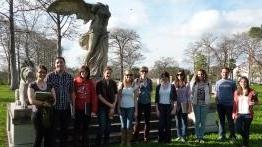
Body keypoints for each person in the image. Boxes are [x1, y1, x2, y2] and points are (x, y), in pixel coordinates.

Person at [46, 57, 75, 147]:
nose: (59, 64)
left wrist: (73, 107)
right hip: (53, 109)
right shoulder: (50, 76)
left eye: (61, 62)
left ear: (64, 64)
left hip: (66, 109)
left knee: (64, 131)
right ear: (55, 65)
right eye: (57, 62)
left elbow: (72, 92)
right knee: (52, 131)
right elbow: (45, 91)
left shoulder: (69, 77)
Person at [27, 65, 56, 147]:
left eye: (44, 72)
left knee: (48, 138)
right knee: (38, 138)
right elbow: (31, 100)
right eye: (40, 72)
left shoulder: (50, 85)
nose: (42, 74)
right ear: (36, 73)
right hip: (37, 115)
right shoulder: (32, 85)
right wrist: (44, 103)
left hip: (49, 114)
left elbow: (54, 100)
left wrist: (50, 102)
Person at [73, 65, 97, 147]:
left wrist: (94, 110)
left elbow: (94, 96)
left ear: (88, 73)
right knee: (77, 128)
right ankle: (76, 144)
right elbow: (73, 94)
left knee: (85, 128)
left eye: (86, 72)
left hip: (87, 109)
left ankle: (85, 144)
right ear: (80, 72)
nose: (84, 73)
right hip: (78, 108)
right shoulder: (76, 81)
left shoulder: (91, 82)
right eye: (82, 71)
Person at [232, 76, 259, 147]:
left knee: (246, 129)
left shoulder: (252, 92)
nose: (243, 83)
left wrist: (254, 103)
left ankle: (245, 144)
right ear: (239, 83)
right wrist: (233, 113)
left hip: (248, 114)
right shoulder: (236, 92)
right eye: (241, 82)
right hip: (239, 114)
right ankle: (246, 137)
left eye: (245, 82)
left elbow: (257, 102)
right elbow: (234, 103)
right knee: (238, 129)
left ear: (247, 82)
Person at [95, 66, 118, 146]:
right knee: (102, 126)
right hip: (102, 108)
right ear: (104, 73)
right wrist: (111, 105)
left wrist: (113, 105)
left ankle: (106, 144)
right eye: (107, 73)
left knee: (108, 127)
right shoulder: (99, 83)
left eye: (110, 73)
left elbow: (116, 94)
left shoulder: (113, 83)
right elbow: (99, 96)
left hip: (111, 107)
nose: (108, 74)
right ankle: (98, 143)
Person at [215, 67, 237, 142]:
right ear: (221, 73)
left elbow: (235, 94)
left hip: (230, 105)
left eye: (226, 72)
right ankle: (221, 135)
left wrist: (235, 104)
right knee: (221, 121)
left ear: (228, 73)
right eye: (223, 72)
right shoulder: (218, 82)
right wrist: (216, 102)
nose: (225, 73)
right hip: (220, 105)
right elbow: (216, 93)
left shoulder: (232, 82)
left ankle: (232, 135)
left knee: (230, 121)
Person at [155, 71, 177, 143]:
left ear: (168, 77)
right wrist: (157, 109)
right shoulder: (158, 87)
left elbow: (175, 99)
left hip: (169, 107)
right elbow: (156, 99)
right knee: (161, 124)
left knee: (168, 124)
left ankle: (168, 140)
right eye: (162, 77)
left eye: (165, 77)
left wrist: (174, 108)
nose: (164, 78)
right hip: (161, 106)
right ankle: (160, 139)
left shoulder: (172, 86)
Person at [117, 70, 138, 146]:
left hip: (131, 108)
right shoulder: (121, 84)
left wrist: (136, 110)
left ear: (132, 76)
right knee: (123, 125)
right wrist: (118, 108)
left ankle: (128, 141)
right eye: (127, 75)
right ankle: (123, 141)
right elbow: (119, 97)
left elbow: (135, 99)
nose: (129, 77)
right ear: (125, 76)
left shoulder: (134, 85)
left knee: (129, 125)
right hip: (122, 108)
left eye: (130, 75)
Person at [190, 69, 211, 143]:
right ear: (197, 75)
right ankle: (197, 137)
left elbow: (210, 92)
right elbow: (191, 92)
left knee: (203, 121)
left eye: (202, 74)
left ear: (204, 75)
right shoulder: (194, 83)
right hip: (196, 104)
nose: (200, 75)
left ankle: (201, 137)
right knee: (197, 121)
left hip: (205, 104)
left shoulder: (208, 83)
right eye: (199, 74)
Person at [133, 66, 152, 142]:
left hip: (147, 103)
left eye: (145, 71)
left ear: (147, 72)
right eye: (142, 71)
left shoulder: (149, 81)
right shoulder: (136, 80)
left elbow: (150, 90)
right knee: (138, 121)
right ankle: (135, 137)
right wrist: (138, 91)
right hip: (139, 103)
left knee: (147, 121)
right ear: (140, 72)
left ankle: (146, 137)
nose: (144, 73)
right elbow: (133, 91)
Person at [173, 70, 191, 142]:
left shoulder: (187, 84)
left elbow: (189, 95)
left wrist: (189, 106)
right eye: (178, 75)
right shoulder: (173, 83)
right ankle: (179, 136)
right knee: (178, 121)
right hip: (177, 104)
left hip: (184, 103)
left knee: (184, 121)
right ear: (176, 76)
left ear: (183, 75)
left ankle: (184, 136)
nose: (179, 76)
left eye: (181, 75)